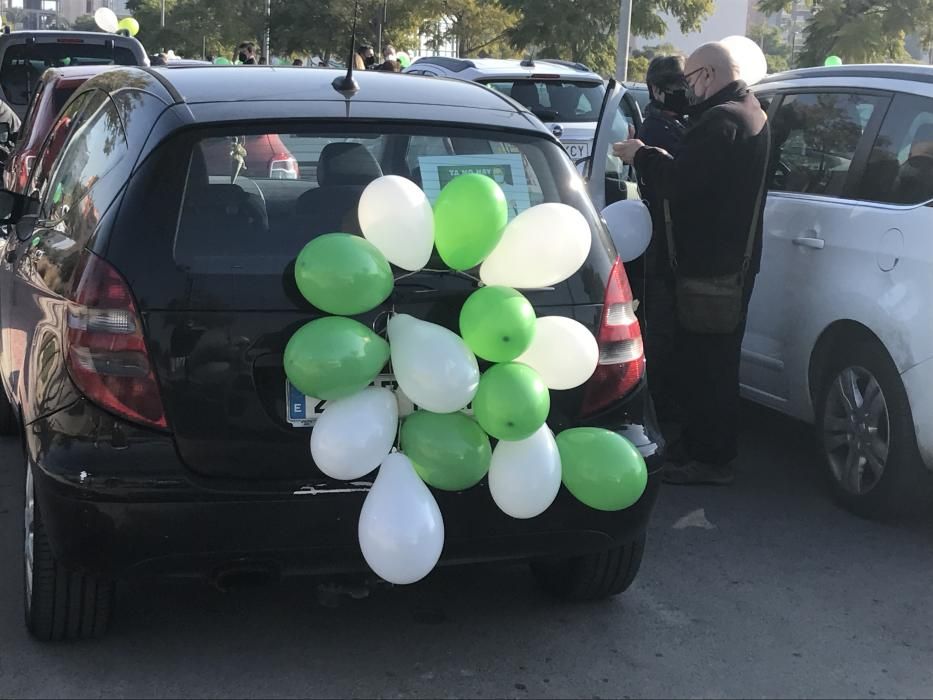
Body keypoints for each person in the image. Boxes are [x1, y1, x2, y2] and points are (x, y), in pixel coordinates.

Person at [613, 41, 771, 486]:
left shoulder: (721, 122)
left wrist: (641, 156)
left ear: (706, 76)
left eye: (690, 81)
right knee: (711, 359)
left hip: (711, 266)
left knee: (708, 366)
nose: (687, 92)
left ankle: (710, 456)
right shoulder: (750, 110)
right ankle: (702, 445)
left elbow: (681, 185)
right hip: (731, 260)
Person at [634, 55, 689, 425]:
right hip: (662, 251)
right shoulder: (653, 132)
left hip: (679, 252)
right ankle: (665, 420)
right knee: (664, 342)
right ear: (656, 90)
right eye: (674, 86)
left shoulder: (683, 125)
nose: (682, 93)